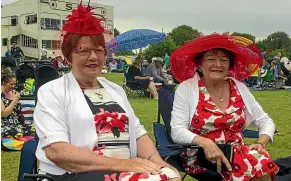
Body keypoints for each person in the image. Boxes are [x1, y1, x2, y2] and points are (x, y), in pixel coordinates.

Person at [34, 2, 180, 181]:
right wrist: (123, 165)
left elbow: (139, 134)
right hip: (71, 175)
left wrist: (158, 162)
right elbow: (57, 151)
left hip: (124, 170)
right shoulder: (52, 91)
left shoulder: (115, 89)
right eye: (84, 51)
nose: (93, 57)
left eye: (99, 50)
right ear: (68, 56)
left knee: (170, 176)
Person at [170, 34, 279, 181]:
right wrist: (205, 142)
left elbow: (265, 121)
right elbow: (177, 131)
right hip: (200, 154)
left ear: (230, 65)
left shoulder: (239, 87)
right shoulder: (187, 88)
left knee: (259, 158)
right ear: (200, 64)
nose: (218, 64)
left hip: (238, 153)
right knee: (258, 163)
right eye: (210, 59)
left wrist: (261, 143)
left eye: (223, 60)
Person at [1, 69, 35, 139]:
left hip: (17, 124)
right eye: (11, 84)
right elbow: (3, 114)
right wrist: (15, 100)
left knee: (35, 130)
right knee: (14, 132)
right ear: (3, 83)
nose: (13, 86)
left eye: (15, 84)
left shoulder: (14, 93)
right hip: (4, 125)